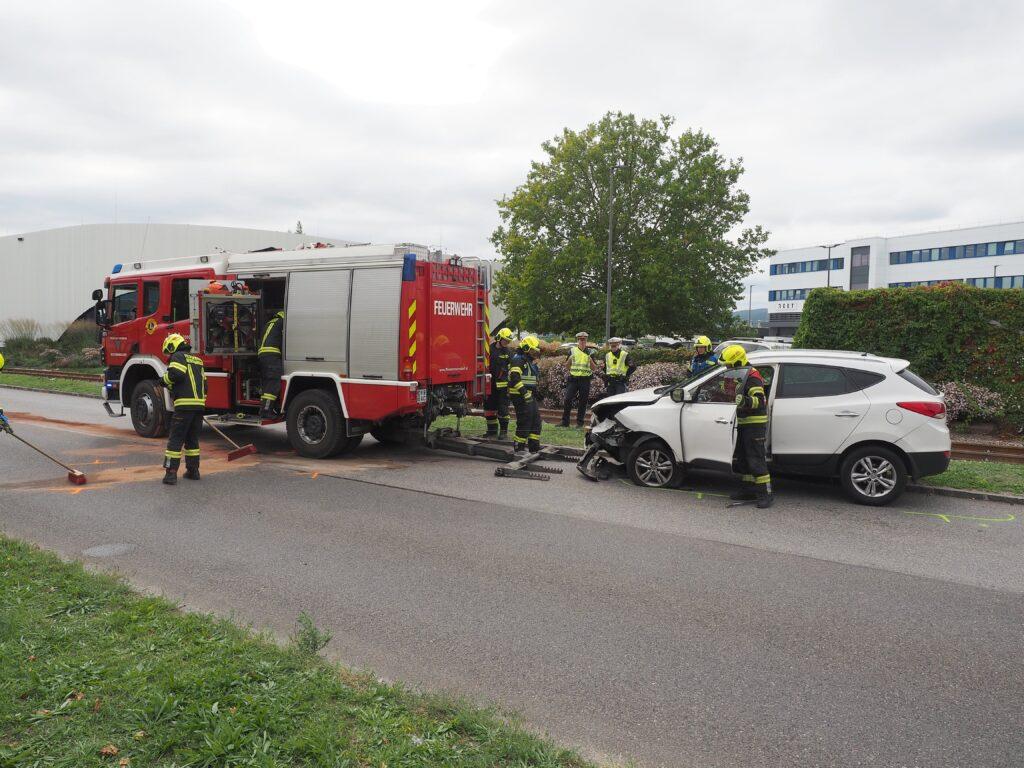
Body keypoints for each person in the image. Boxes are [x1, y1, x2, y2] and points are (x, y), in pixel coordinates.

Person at [719, 344, 773, 508]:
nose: (727, 367)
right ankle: (749, 489)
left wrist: (744, 401)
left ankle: (765, 494)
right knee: (743, 459)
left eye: (729, 364)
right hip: (743, 422)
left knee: (756, 460)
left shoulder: (752, 376)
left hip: (754, 423)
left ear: (737, 362)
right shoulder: (739, 374)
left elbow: (760, 401)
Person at [160, 333, 207, 485]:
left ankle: (170, 474)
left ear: (172, 346)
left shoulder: (178, 356)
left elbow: (176, 374)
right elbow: (205, 385)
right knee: (192, 440)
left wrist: (163, 380)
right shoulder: (198, 360)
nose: (168, 356)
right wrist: (199, 403)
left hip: (184, 407)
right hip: (198, 407)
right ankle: (193, 471)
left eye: (168, 352)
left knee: (175, 440)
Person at [508, 335, 542, 454]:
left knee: (536, 421)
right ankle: (519, 448)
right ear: (526, 348)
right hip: (520, 396)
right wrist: (524, 393)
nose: (535, 353)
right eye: (533, 350)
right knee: (525, 421)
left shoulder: (528, 361)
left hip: (529, 396)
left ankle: (534, 448)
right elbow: (515, 378)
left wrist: (536, 394)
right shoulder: (518, 359)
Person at [561, 331, 597, 427]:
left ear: (586, 340)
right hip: (573, 379)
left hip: (585, 380)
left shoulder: (590, 352)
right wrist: (569, 360)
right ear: (578, 340)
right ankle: (565, 422)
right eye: (580, 340)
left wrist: (590, 360)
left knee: (583, 402)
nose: (582, 341)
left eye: (584, 340)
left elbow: (594, 368)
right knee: (567, 399)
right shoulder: (572, 351)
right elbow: (567, 366)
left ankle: (579, 423)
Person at [484, 327, 514, 439]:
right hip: (490, 385)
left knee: (503, 410)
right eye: (505, 340)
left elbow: (512, 368)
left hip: (503, 387)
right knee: (489, 408)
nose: (507, 342)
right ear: (499, 338)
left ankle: (503, 433)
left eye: (508, 341)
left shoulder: (508, 353)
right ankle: (492, 431)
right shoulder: (489, 350)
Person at [258, 310, 285, 419]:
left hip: (263, 355)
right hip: (272, 355)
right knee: (274, 383)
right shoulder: (282, 322)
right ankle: (266, 411)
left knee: (267, 384)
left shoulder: (270, 323)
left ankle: (264, 409)